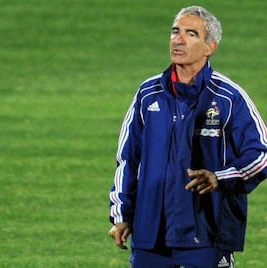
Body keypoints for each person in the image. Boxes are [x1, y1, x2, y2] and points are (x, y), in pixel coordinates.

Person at [108, 5, 267, 268]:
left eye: (191, 34)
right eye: (175, 31)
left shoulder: (229, 97)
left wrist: (220, 178)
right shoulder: (148, 94)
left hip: (207, 234)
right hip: (151, 234)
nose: (178, 40)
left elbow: (261, 156)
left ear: (210, 47)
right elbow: (128, 159)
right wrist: (122, 214)